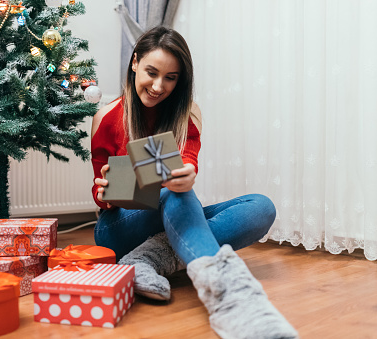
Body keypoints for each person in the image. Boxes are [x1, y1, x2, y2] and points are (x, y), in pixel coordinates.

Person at [90, 26, 298, 339]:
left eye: (170, 78)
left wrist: (186, 175)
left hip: (174, 208)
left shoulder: (188, 114)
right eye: (151, 72)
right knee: (174, 197)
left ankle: (147, 259)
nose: (159, 86)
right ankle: (232, 300)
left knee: (260, 208)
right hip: (117, 229)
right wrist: (107, 193)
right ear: (134, 63)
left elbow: (188, 163)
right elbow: (99, 191)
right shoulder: (106, 116)